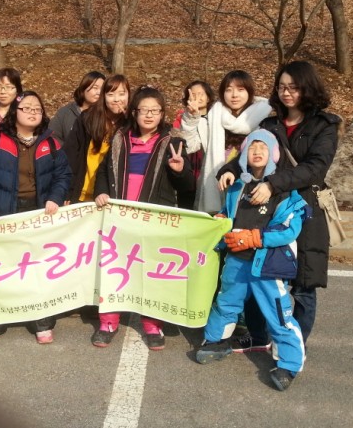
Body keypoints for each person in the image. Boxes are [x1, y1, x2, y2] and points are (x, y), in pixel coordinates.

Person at [218, 60, 341, 350]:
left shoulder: (324, 125)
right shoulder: (270, 125)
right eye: (282, 87)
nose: (286, 93)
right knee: (258, 273)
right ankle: (259, 336)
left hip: (305, 209)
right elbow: (251, 153)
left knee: (303, 284)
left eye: (294, 87)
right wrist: (230, 170)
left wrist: (273, 184)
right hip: (266, 212)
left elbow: (315, 168)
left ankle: (293, 345)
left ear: (307, 88)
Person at [195, 129, 307, 392]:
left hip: (267, 264)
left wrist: (255, 238)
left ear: (273, 154)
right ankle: (216, 341)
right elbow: (228, 215)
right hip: (237, 260)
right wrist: (220, 223)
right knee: (226, 301)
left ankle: (289, 364)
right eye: (252, 147)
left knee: (278, 313)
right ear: (244, 153)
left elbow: (290, 227)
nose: (257, 152)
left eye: (263, 147)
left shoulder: (283, 189)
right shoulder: (237, 186)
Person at [92, 86, 194, 351]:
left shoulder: (173, 142)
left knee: (151, 271)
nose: (149, 115)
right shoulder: (120, 139)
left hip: (154, 221)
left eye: (155, 110)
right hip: (120, 219)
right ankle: (108, 321)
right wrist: (101, 191)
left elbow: (187, 187)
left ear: (162, 113)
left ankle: (152, 324)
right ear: (134, 112)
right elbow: (104, 171)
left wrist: (180, 170)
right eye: (144, 110)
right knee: (114, 267)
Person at [0, 91, 72, 344]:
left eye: (37, 108)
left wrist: (55, 197)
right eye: (27, 108)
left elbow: (63, 175)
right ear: (15, 113)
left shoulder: (51, 143)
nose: (33, 112)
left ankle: (41, 319)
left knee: (38, 266)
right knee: (2, 266)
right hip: (4, 211)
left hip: (39, 212)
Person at [180, 70, 271, 214]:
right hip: (216, 190)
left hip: (250, 192)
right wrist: (191, 118)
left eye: (240, 89)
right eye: (229, 90)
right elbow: (191, 145)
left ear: (249, 92)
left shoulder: (263, 120)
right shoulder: (213, 118)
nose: (234, 95)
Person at [64, 74, 130, 203]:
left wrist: (130, 120)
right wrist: (67, 192)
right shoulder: (87, 119)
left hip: (111, 197)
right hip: (82, 193)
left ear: (129, 95)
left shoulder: (132, 125)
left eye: (122, 94)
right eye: (111, 94)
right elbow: (70, 155)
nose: (117, 99)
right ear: (103, 97)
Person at [172, 80, 216, 209]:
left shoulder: (216, 119)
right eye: (193, 94)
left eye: (201, 94)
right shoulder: (183, 118)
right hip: (190, 166)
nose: (197, 98)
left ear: (208, 97)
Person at [48, 71, 105, 144]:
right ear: (83, 88)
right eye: (95, 88)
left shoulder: (107, 114)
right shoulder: (66, 113)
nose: (99, 92)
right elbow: (52, 137)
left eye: (102, 89)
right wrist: (66, 149)